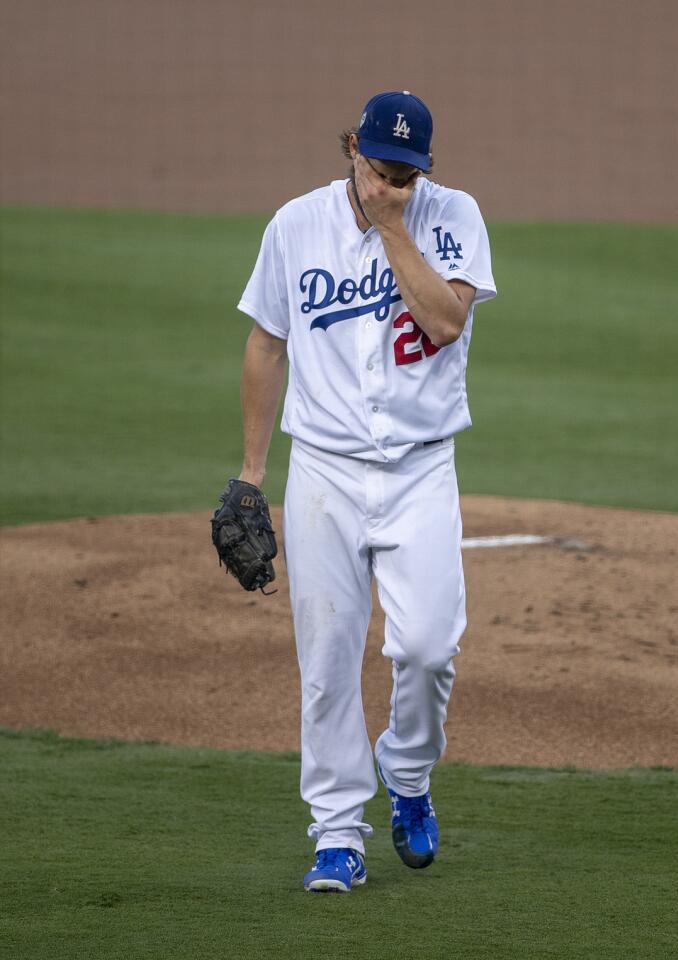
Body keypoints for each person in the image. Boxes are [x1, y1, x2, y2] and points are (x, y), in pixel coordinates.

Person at [235, 90, 496, 892]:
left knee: (426, 647)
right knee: (326, 659)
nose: (395, 183)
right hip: (324, 470)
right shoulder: (294, 225)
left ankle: (407, 774)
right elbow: (266, 343)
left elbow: (447, 322)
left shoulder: (451, 218)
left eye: (409, 173)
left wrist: (391, 227)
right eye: (382, 168)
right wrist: (250, 475)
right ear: (353, 148)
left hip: (420, 466)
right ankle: (336, 834)